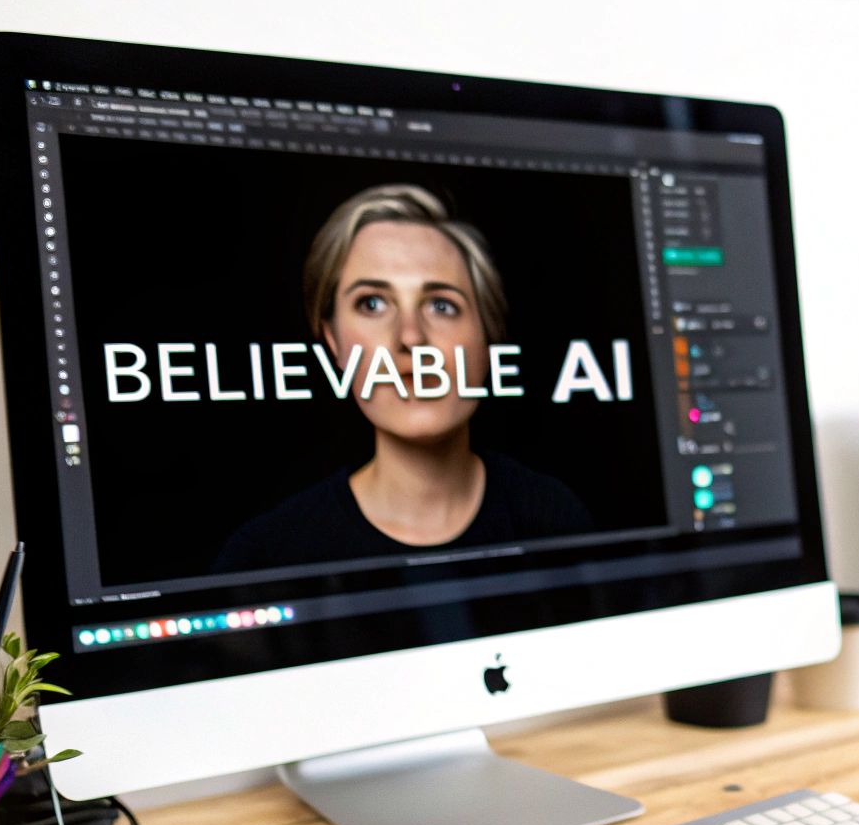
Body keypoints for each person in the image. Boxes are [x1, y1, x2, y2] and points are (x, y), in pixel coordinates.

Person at [213, 184, 590, 572]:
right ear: (333, 340)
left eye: (441, 305)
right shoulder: (264, 556)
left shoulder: (554, 517)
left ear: (487, 333)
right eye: (372, 304)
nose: (410, 336)